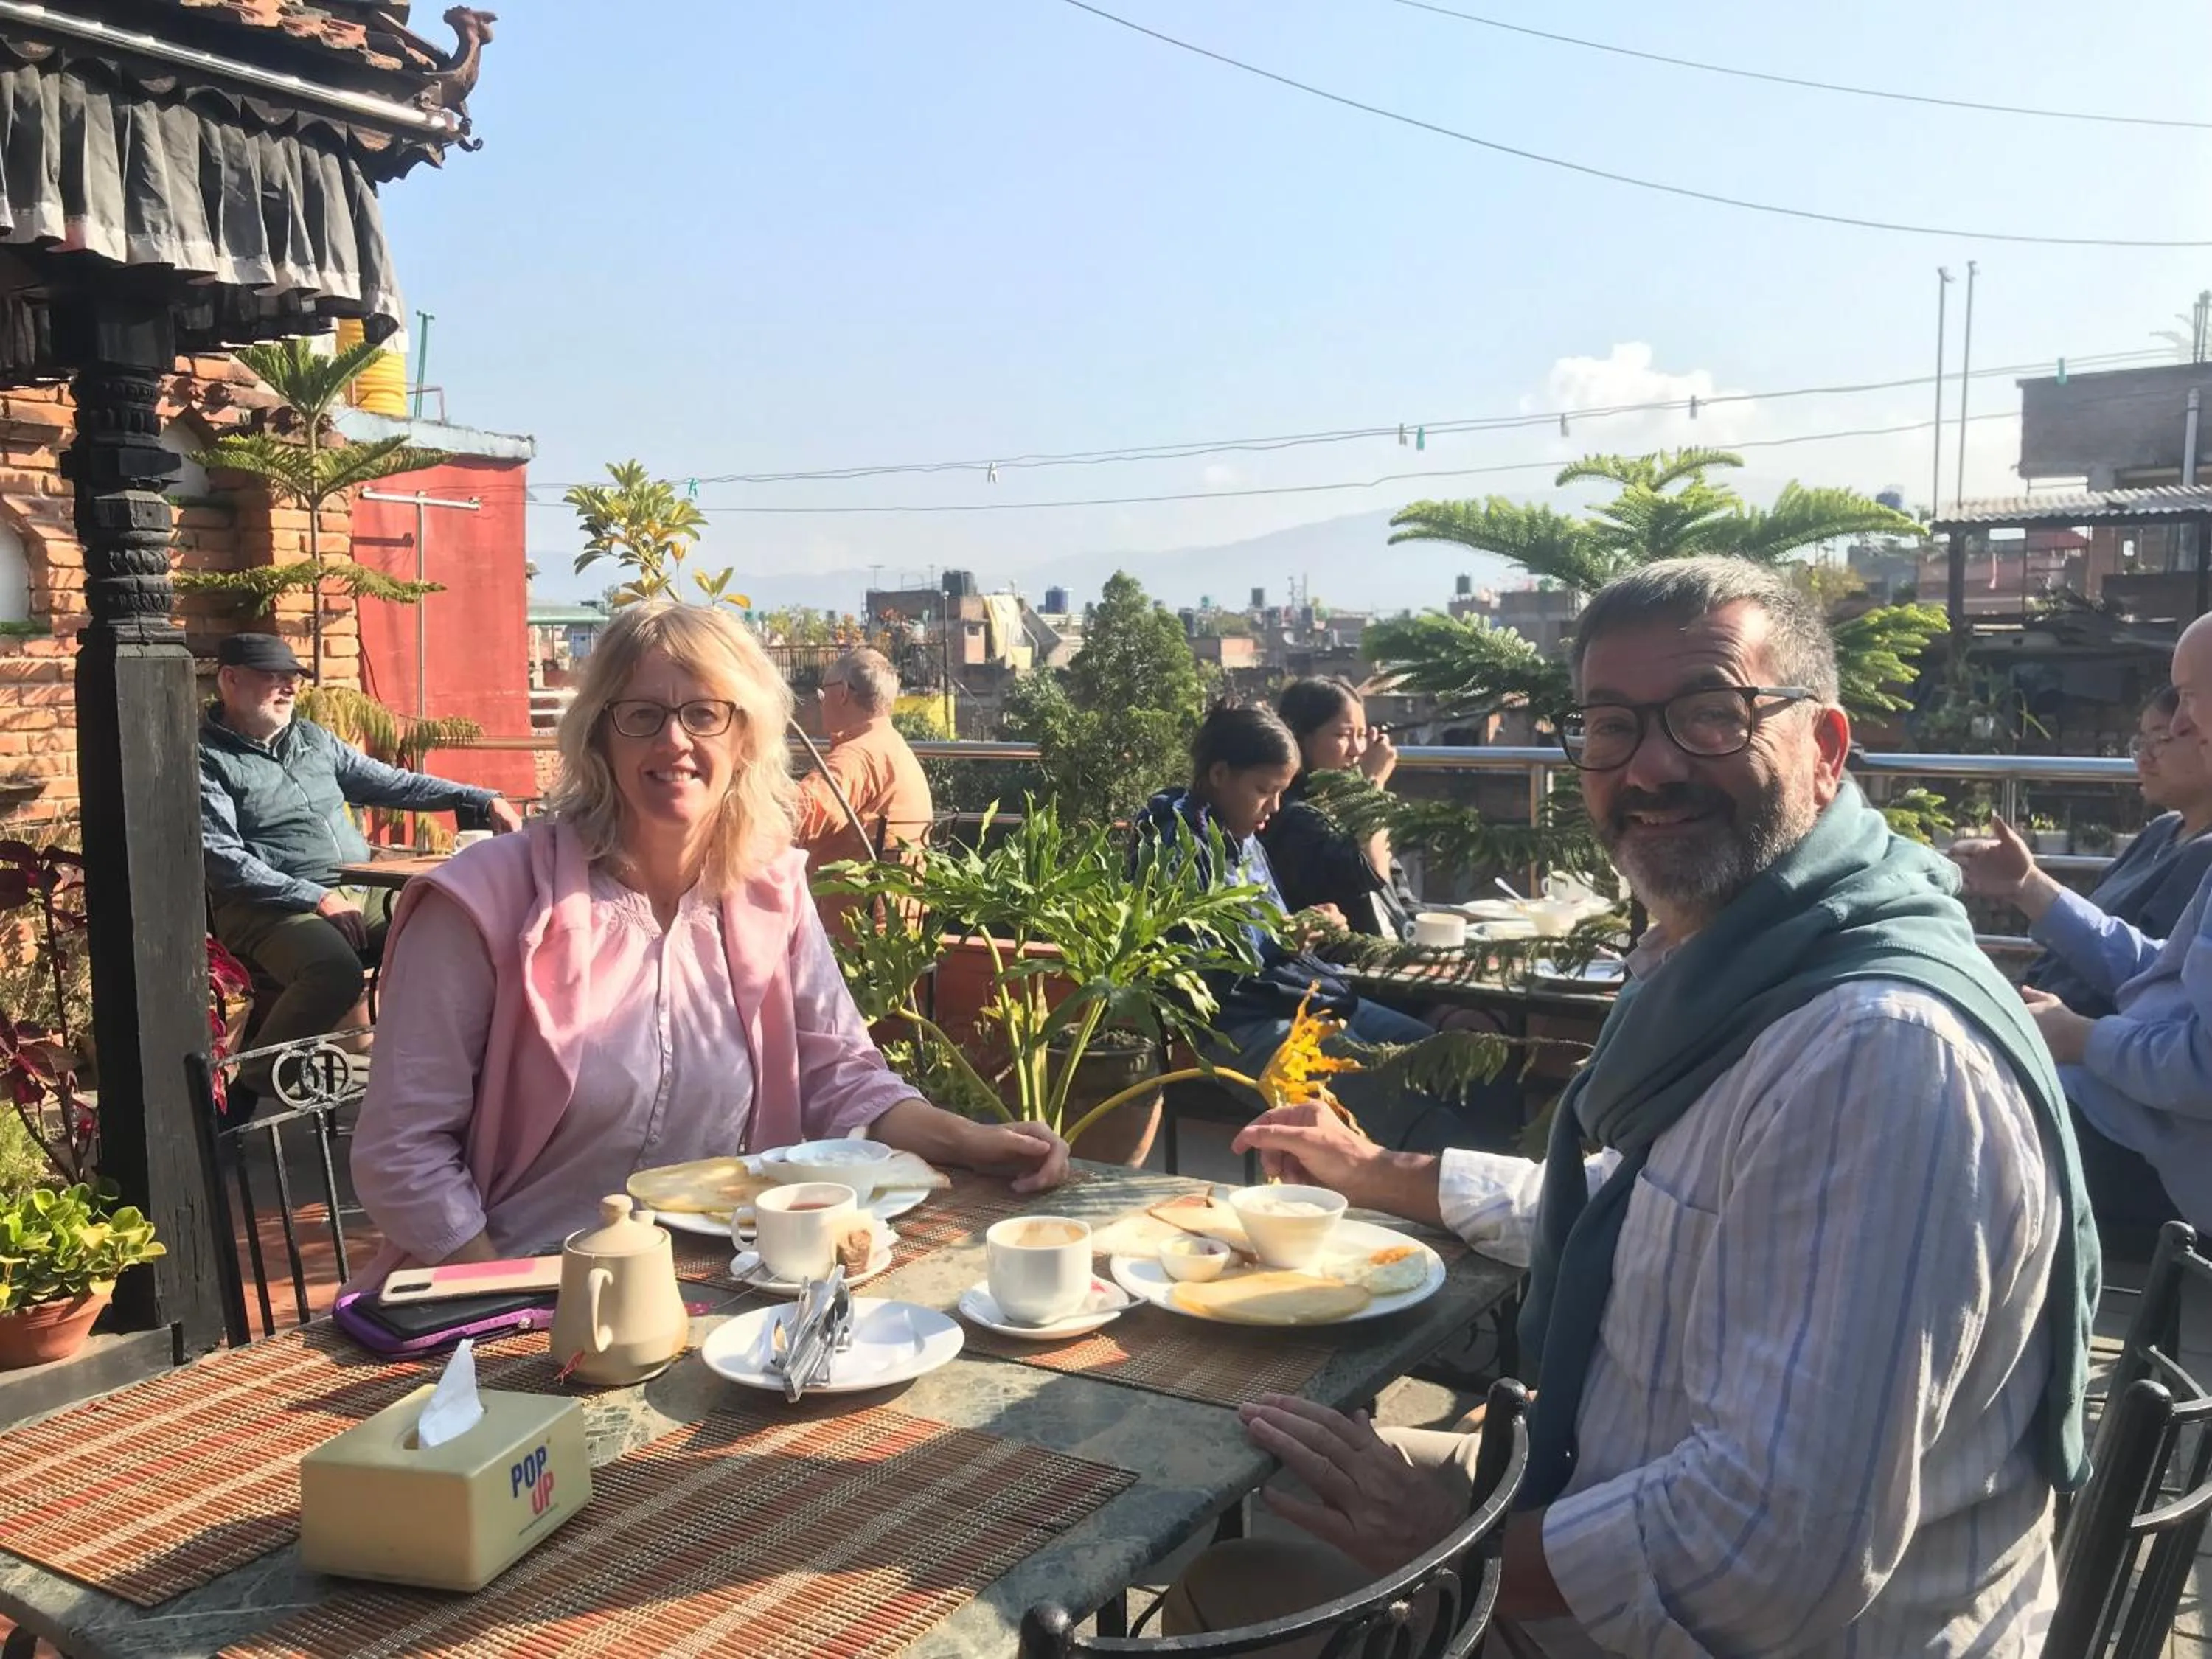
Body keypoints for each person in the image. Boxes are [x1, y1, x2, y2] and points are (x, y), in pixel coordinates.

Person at [1166, 558, 2093, 1658]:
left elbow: (1773, 1549)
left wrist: (1456, 1544)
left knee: (1231, 1588)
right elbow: (1658, 1208)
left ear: (1826, 747)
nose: (1648, 766)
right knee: (1272, 1474)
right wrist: (1387, 1176)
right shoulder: (1766, 967)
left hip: (1766, 1633)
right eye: (1610, 725)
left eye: (1710, 714)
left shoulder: (1877, 1055)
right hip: (1659, 1515)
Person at [350, 604, 1065, 1284]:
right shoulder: (486, 903)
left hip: (727, 1288)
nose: (674, 741)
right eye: (643, 715)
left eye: (704, 713)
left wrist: (969, 1141)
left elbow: (839, 1075)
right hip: (513, 1286)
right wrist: (508, 1292)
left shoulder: (769, 892)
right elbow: (401, 1152)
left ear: (746, 736)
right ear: (601, 735)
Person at [1135, 704, 1507, 1152]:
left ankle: (1502, 1186)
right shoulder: (1172, 839)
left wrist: (1304, 926)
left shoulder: (1243, 833)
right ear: (1219, 774)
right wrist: (1282, 937)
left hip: (1298, 996)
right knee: (1404, 1100)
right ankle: (1444, 1202)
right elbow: (1195, 959)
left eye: (1281, 792)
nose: (1274, 807)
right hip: (1236, 1022)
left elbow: (1265, 922)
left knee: (1452, 1062)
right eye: (1263, 790)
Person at [199, 632, 523, 1093]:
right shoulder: (207, 758)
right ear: (230, 680)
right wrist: (314, 897)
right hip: (271, 908)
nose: (289, 688)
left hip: (358, 889)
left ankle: (436, 1074)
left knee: (450, 928)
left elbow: (394, 784)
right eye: (274, 677)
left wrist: (482, 798)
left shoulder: (311, 739)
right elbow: (224, 858)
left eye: (293, 678)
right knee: (333, 970)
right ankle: (250, 1089)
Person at [2019, 614, 2212, 1255]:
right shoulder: (2162, 836)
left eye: (2186, 699)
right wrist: (2028, 887)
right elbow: (2157, 969)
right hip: (2117, 1098)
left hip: (2152, 1153)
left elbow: (2201, 1070)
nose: (2178, 726)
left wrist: (2083, 1038)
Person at [1953, 685, 2212, 1018]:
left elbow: (2148, 977)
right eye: (2140, 743)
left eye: (2161, 740)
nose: (2144, 758)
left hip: (2100, 1041)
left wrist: (2029, 885)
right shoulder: (2162, 830)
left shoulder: (2204, 856)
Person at [1261, 677, 1420, 939]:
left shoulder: (1344, 804)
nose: (1357, 750)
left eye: (1362, 735)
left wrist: (1425, 927)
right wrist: (1373, 786)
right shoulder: (1291, 814)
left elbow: (1396, 886)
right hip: (1351, 964)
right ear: (1299, 738)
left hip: (1399, 947)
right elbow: (1368, 873)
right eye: (1343, 735)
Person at [794, 647, 935, 935]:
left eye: (824, 692)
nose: (821, 702)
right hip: (904, 928)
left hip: (855, 936)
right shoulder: (892, 747)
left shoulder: (858, 756)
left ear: (843, 692)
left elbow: (799, 818)